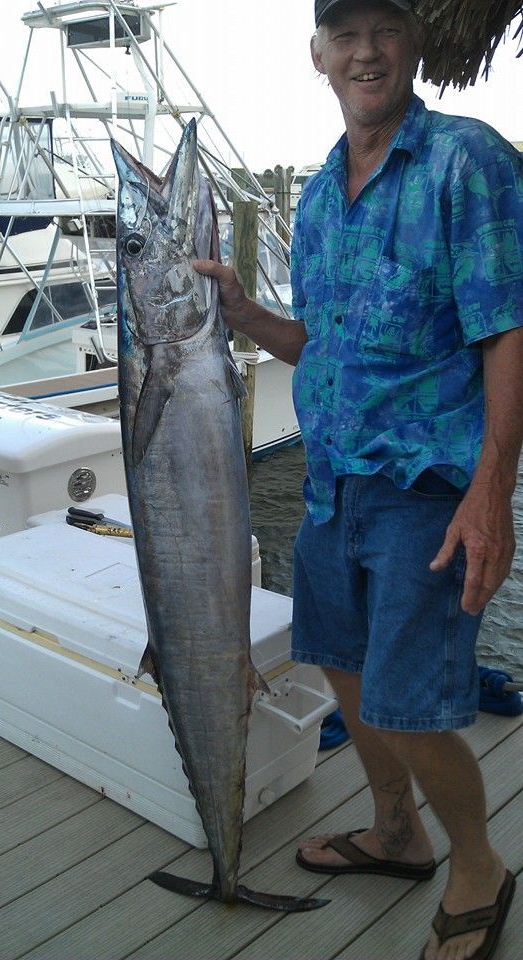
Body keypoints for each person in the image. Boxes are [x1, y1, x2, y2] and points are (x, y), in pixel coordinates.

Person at [194, 1, 523, 958]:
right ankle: (395, 831)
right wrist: (246, 312)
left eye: (384, 30)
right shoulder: (317, 194)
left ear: (413, 45)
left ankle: (478, 865)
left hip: (426, 487)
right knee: (341, 665)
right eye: (345, 35)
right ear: (318, 57)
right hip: (330, 478)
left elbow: (507, 328)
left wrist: (491, 490)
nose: (365, 51)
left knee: (405, 701)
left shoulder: (468, 159)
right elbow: (322, 344)